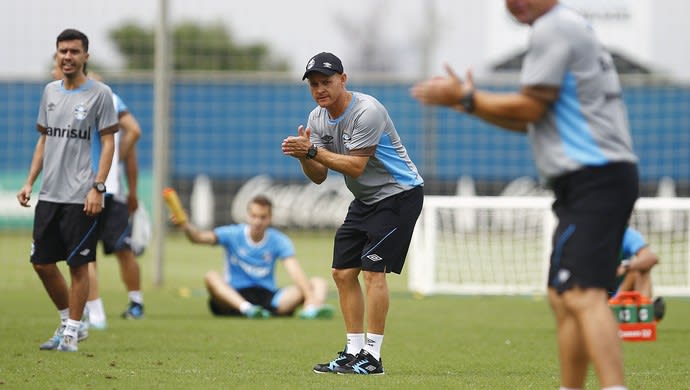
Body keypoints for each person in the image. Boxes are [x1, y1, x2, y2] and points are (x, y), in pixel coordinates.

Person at [411, 1, 638, 389]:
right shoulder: (567, 26)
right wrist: (468, 102)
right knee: (562, 296)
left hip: (595, 176)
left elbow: (529, 107)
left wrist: (466, 98)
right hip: (591, 179)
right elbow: (529, 120)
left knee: (582, 295)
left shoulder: (552, 28)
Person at [282, 52, 424, 375]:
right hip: (366, 200)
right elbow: (318, 176)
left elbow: (356, 167)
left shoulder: (367, 111)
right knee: (342, 272)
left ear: (343, 80)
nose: (320, 89)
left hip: (399, 195)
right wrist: (305, 157)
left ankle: (372, 357)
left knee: (373, 270)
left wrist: (313, 151)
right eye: (314, 84)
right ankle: (353, 351)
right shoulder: (317, 118)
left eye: (327, 82)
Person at [17, 28, 118, 352]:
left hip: (80, 195)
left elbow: (108, 141)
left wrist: (98, 188)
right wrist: (30, 181)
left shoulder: (100, 93)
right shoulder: (49, 92)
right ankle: (70, 320)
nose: (68, 57)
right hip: (49, 194)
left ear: (85, 56)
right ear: (57, 55)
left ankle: (72, 333)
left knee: (78, 264)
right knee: (42, 264)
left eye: (74, 51)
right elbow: (44, 139)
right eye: (63, 51)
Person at [51, 61, 145, 330]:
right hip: (110, 189)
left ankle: (97, 313)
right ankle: (135, 302)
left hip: (86, 189)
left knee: (85, 255)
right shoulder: (107, 103)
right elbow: (134, 133)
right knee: (122, 249)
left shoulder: (86, 98)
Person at [172, 194, 334, 320]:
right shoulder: (232, 233)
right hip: (233, 297)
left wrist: (309, 296)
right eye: (254, 216)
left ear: (270, 219)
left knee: (319, 282)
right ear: (248, 216)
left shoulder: (279, 240)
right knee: (211, 277)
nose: (257, 222)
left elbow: (294, 271)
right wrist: (186, 226)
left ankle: (312, 309)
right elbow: (198, 238)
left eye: (263, 217)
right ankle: (247, 309)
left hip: (267, 299)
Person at [612, 226, 665, 321]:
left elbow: (651, 258)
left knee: (640, 269)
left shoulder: (626, 233)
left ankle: (644, 315)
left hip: (615, 296)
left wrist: (625, 267)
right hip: (590, 295)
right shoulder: (584, 232)